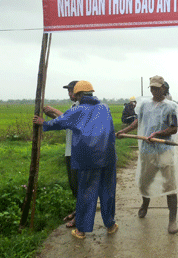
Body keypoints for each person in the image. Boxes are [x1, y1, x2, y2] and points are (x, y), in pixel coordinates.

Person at [33, 81, 118, 240]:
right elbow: (111, 130)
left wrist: (43, 123)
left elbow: (59, 122)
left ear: (78, 95)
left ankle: (81, 231)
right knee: (108, 191)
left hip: (89, 158)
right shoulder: (104, 108)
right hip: (108, 157)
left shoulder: (77, 110)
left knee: (86, 192)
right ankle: (111, 225)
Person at [116, 75, 178, 234]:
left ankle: (172, 220)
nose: (154, 91)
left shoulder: (170, 107)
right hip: (147, 151)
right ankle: (145, 204)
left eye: (157, 88)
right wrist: (124, 131)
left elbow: (173, 129)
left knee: (170, 186)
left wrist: (159, 133)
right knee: (145, 182)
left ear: (164, 88)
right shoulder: (145, 105)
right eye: (152, 88)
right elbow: (138, 122)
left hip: (164, 151)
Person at [41, 80, 79, 228]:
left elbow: (72, 121)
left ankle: (79, 217)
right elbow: (65, 122)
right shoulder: (73, 106)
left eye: (72, 91)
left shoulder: (82, 107)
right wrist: (52, 116)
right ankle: (77, 212)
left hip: (77, 152)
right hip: (70, 151)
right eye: (68, 91)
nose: (70, 94)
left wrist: (56, 112)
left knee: (78, 185)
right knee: (74, 185)